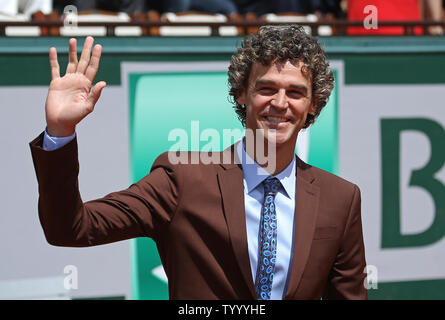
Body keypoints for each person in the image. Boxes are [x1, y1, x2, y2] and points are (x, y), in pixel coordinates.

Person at [29, 25, 367, 300]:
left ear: (313, 104)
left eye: (295, 92)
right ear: (242, 94)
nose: (280, 103)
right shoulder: (182, 179)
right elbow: (70, 229)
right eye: (266, 89)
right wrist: (60, 132)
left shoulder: (341, 198)